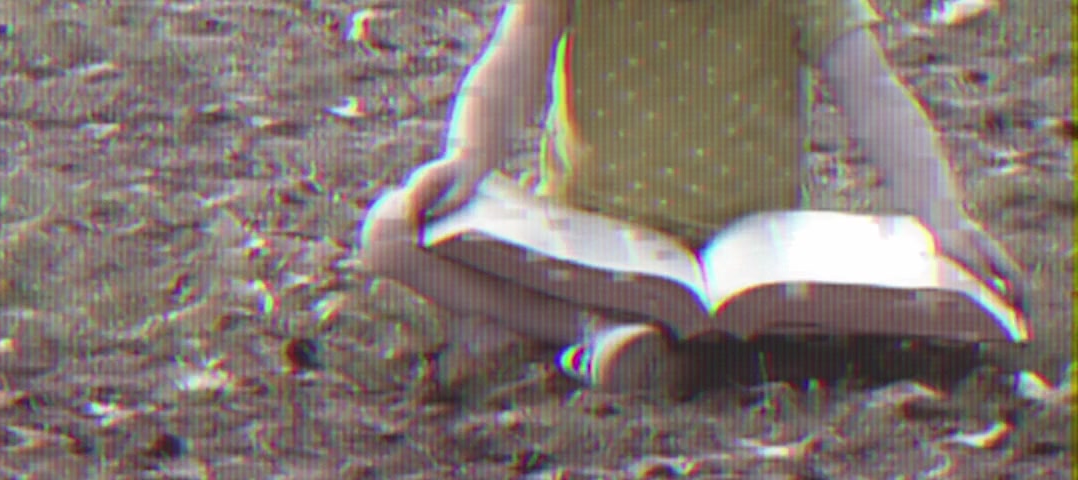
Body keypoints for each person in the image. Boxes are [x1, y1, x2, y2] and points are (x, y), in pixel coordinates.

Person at [357, 0, 1032, 395]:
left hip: (744, 260)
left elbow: (874, 92)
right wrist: (468, 156)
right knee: (391, 232)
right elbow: (513, 56)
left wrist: (944, 219)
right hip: (588, 243)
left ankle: (582, 333)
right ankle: (591, 330)